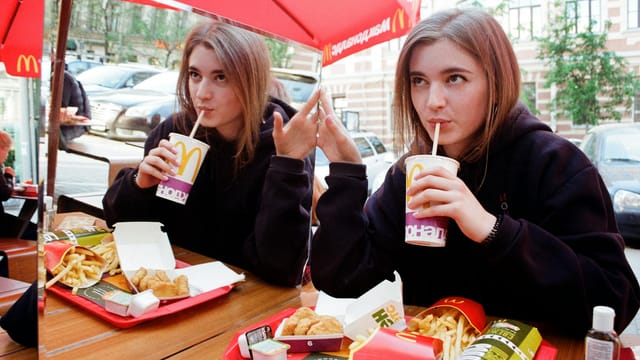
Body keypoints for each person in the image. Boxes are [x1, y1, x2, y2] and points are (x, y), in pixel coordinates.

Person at [308, 7, 640, 337]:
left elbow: (614, 301)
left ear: (495, 82)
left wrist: (492, 230)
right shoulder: (409, 174)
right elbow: (342, 280)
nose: (433, 101)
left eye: (455, 78)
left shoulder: (554, 164)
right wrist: (347, 178)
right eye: (419, 81)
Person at [103, 21, 319, 287]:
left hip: (244, 298)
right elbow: (121, 225)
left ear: (251, 81)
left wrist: (288, 167)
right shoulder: (175, 131)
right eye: (195, 75)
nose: (202, 93)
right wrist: (139, 184)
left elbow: (282, 269)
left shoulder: (283, 144)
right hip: (171, 289)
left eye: (221, 77)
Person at [59, 68, 91, 150]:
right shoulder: (67, 76)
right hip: (77, 124)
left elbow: (61, 106)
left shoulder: (63, 78)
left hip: (72, 126)